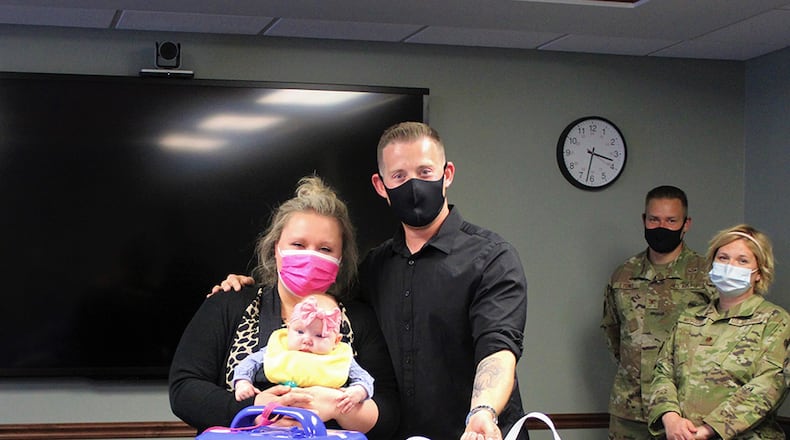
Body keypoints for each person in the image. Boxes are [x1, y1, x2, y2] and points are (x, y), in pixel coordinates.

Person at [213, 122, 529, 440]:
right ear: (381, 186)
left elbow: (498, 348)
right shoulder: (374, 267)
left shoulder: (492, 258)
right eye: (400, 176)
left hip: (479, 434)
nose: (414, 185)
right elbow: (320, 299)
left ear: (447, 175)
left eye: (425, 171)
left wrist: (483, 411)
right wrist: (253, 285)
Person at [169, 176, 399, 438]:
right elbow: (184, 390)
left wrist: (337, 408)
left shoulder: (359, 320)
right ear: (276, 247)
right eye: (298, 245)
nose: (311, 255)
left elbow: (389, 411)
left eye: (325, 248)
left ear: (340, 259)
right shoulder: (228, 303)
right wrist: (255, 406)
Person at [647, 224, 790, 439]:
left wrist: (708, 430)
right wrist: (670, 417)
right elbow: (663, 372)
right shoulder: (689, 318)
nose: (730, 265)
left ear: (759, 272)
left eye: (742, 260)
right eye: (723, 258)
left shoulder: (774, 321)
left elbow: (768, 386)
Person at [601, 185, 713, 440]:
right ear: (644, 220)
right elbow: (612, 331)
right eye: (654, 219)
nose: (661, 227)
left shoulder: (707, 275)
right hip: (629, 410)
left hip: (686, 412)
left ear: (686, 224)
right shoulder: (623, 275)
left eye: (671, 220)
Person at [233, 293, 373, 416]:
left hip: (323, 421)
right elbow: (249, 363)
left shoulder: (339, 357)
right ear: (288, 329)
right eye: (299, 332)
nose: (307, 340)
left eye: (319, 335)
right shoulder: (279, 347)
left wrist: (359, 392)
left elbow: (365, 379)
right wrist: (242, 382)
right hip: (275, 416)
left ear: (336, 341)